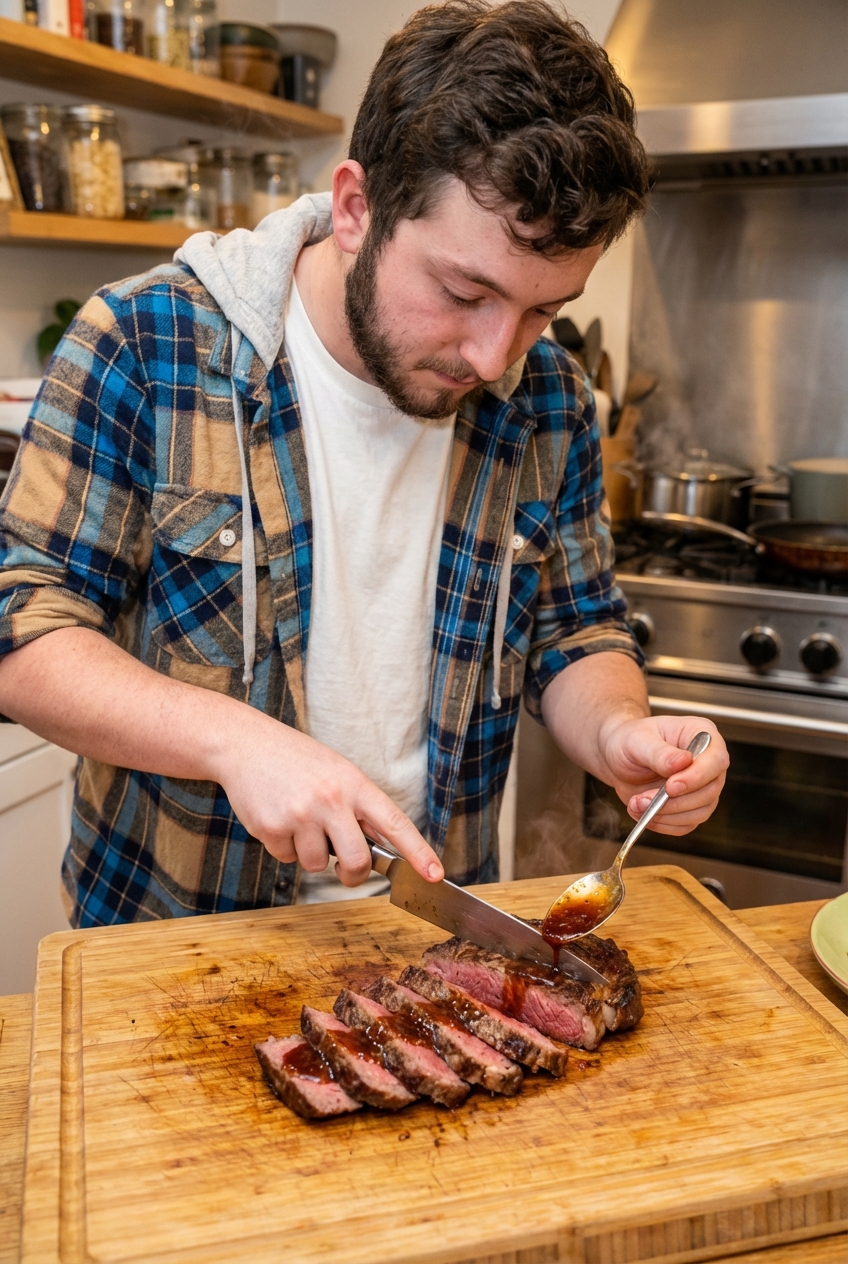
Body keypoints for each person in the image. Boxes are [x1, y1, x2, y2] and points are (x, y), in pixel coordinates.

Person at [0, 0, 728, 928]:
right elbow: (22, 624)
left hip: (433, 936)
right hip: (175, 939)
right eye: (465, 292)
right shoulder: (144, 344)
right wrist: (234, 742)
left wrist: (621, 729)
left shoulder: (552, 400)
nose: (495, 356)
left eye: (544, 310)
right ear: (356, 208)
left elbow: (575, 629)